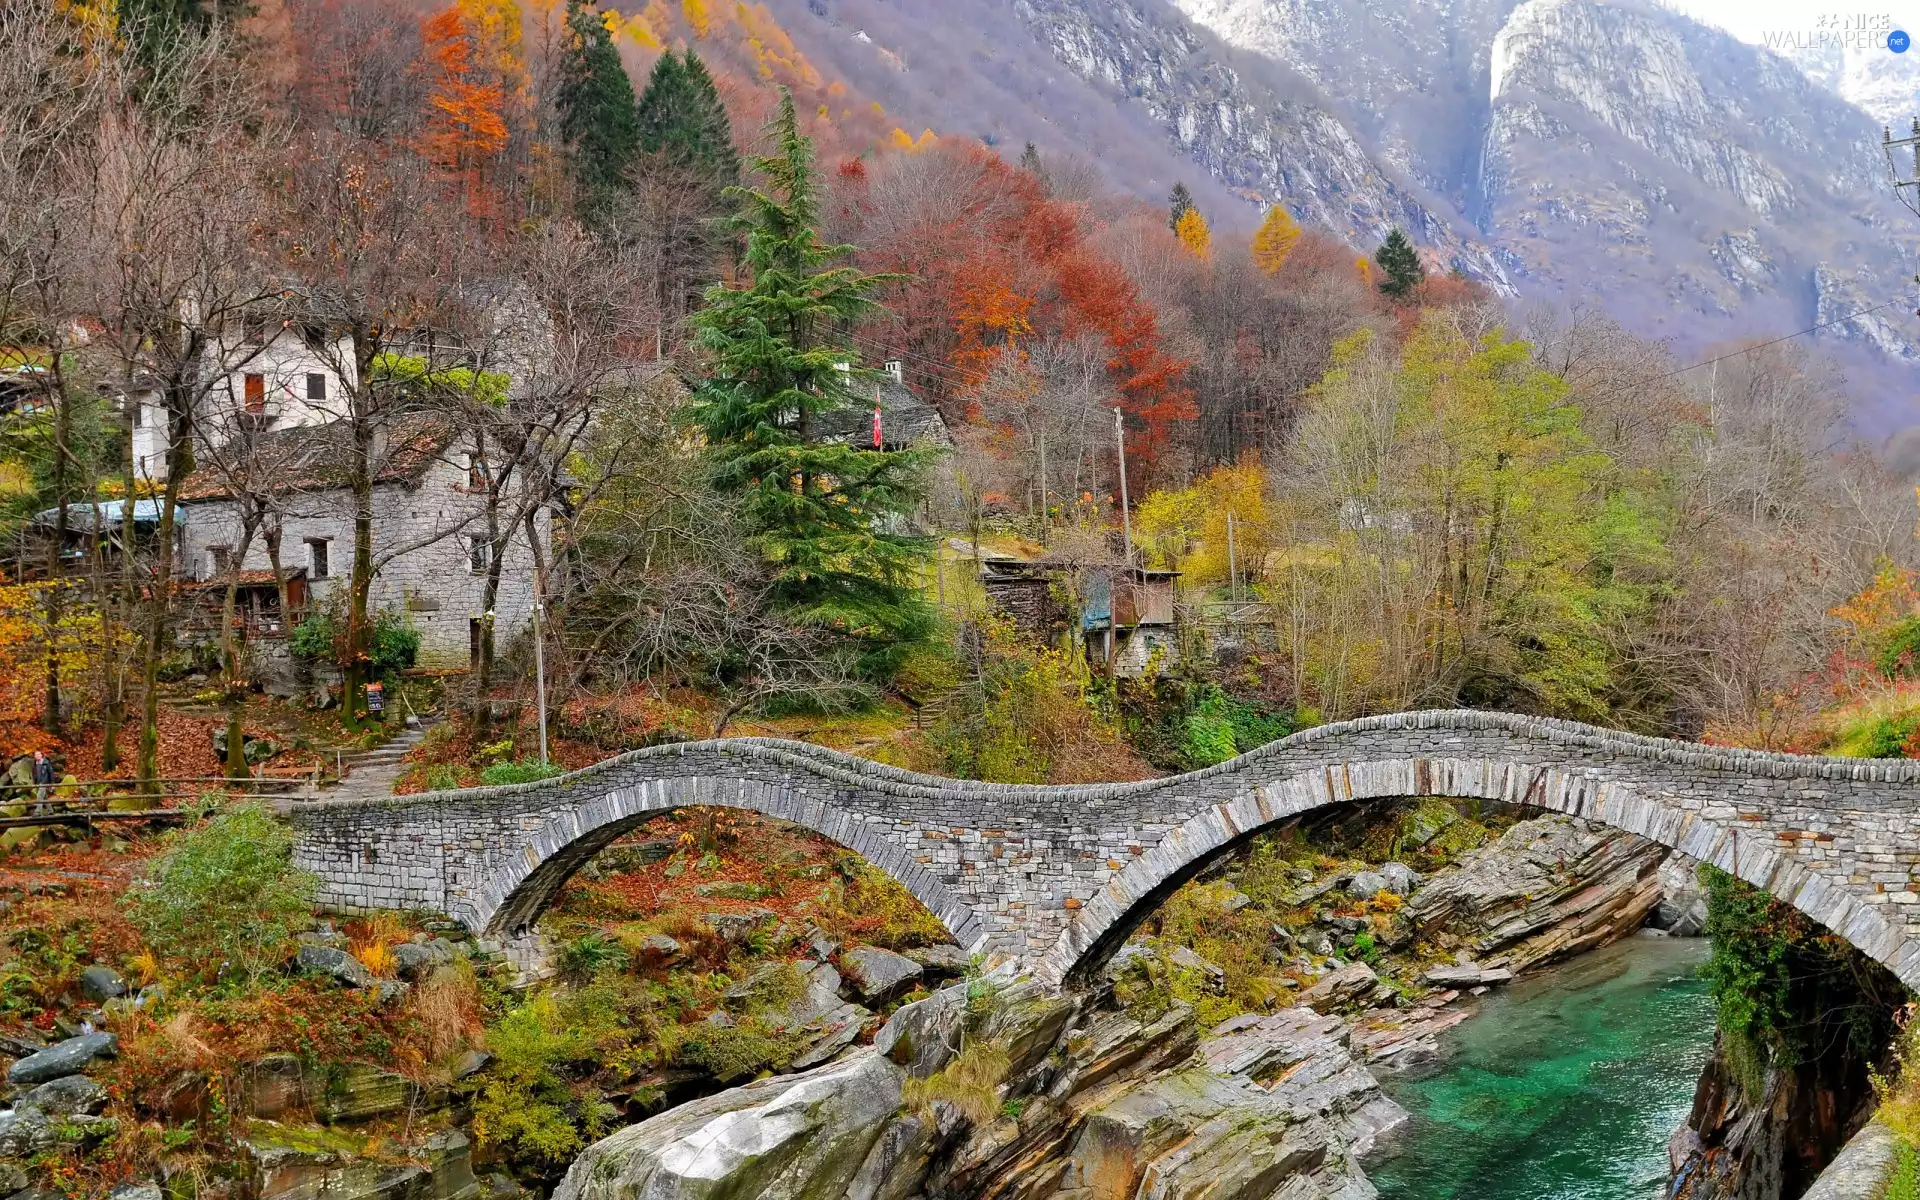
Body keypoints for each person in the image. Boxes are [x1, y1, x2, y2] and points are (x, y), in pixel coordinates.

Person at [30, 749, 54, 814]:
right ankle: (50, 810)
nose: (37, 756)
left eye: (38, 754)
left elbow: (51, 773)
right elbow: (34, 774)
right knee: (45, 797)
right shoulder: (34, 764)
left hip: (44, 783)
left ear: (41, 755)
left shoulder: (46, 763)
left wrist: (52, 784)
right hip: (38, 783)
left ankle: (37, 812)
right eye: (36, 755)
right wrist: (34, 784)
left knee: (39, 796)